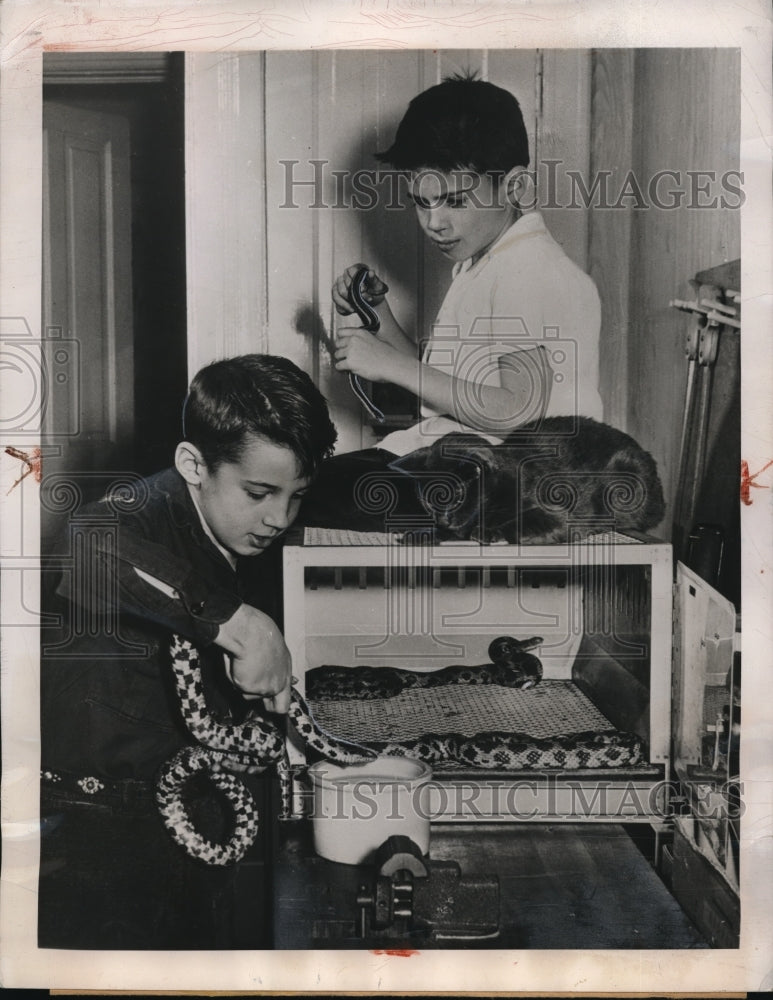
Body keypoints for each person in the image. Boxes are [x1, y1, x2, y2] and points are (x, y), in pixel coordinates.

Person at [38, 354, 337, 950]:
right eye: (259, 492)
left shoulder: (221, 530)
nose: (278, 517)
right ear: (192, 464)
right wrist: (242, 625)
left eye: (295, 496)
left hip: (174, 813)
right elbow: (87, 547)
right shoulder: (141, 512)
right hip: (101, 838)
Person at [300, 73, 603, 532]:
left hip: (503, 483)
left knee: (293, 496)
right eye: (421, 203)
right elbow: (447, 393)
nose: (433, 223)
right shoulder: (489, 262)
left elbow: (517, 413)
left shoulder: (528, 271)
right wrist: (378, 317)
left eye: (455, 202)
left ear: (516, 188)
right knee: (293, 489)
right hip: (464, 466)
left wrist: (391, 365)